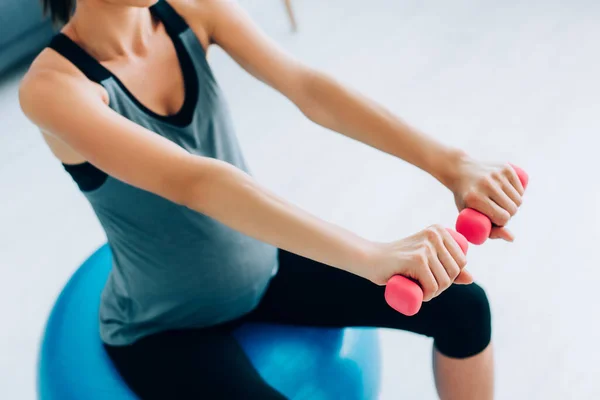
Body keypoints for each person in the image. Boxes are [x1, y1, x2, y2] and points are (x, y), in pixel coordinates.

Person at [20, 0, 525, 399]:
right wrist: (372, 256)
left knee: (464, 307)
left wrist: (451, 164)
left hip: (263, 267)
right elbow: (198, 183)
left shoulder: (193, 11)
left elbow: (308, 88)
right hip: (165, 326)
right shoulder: (54, 89)